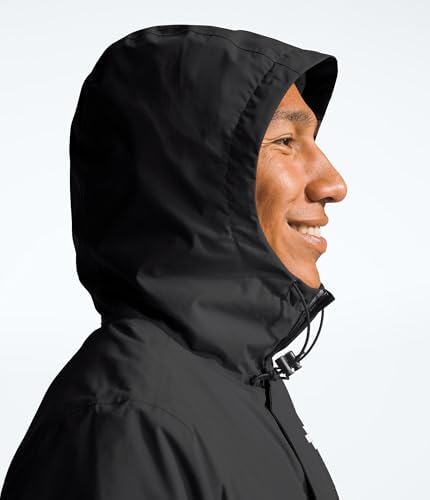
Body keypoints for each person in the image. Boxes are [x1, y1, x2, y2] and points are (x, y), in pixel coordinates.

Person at [0, 24, 347, 500]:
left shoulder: (237, 385)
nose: (333, 183)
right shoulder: (129, 423)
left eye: (312, 140)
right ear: (192, 181)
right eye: (285, 141)